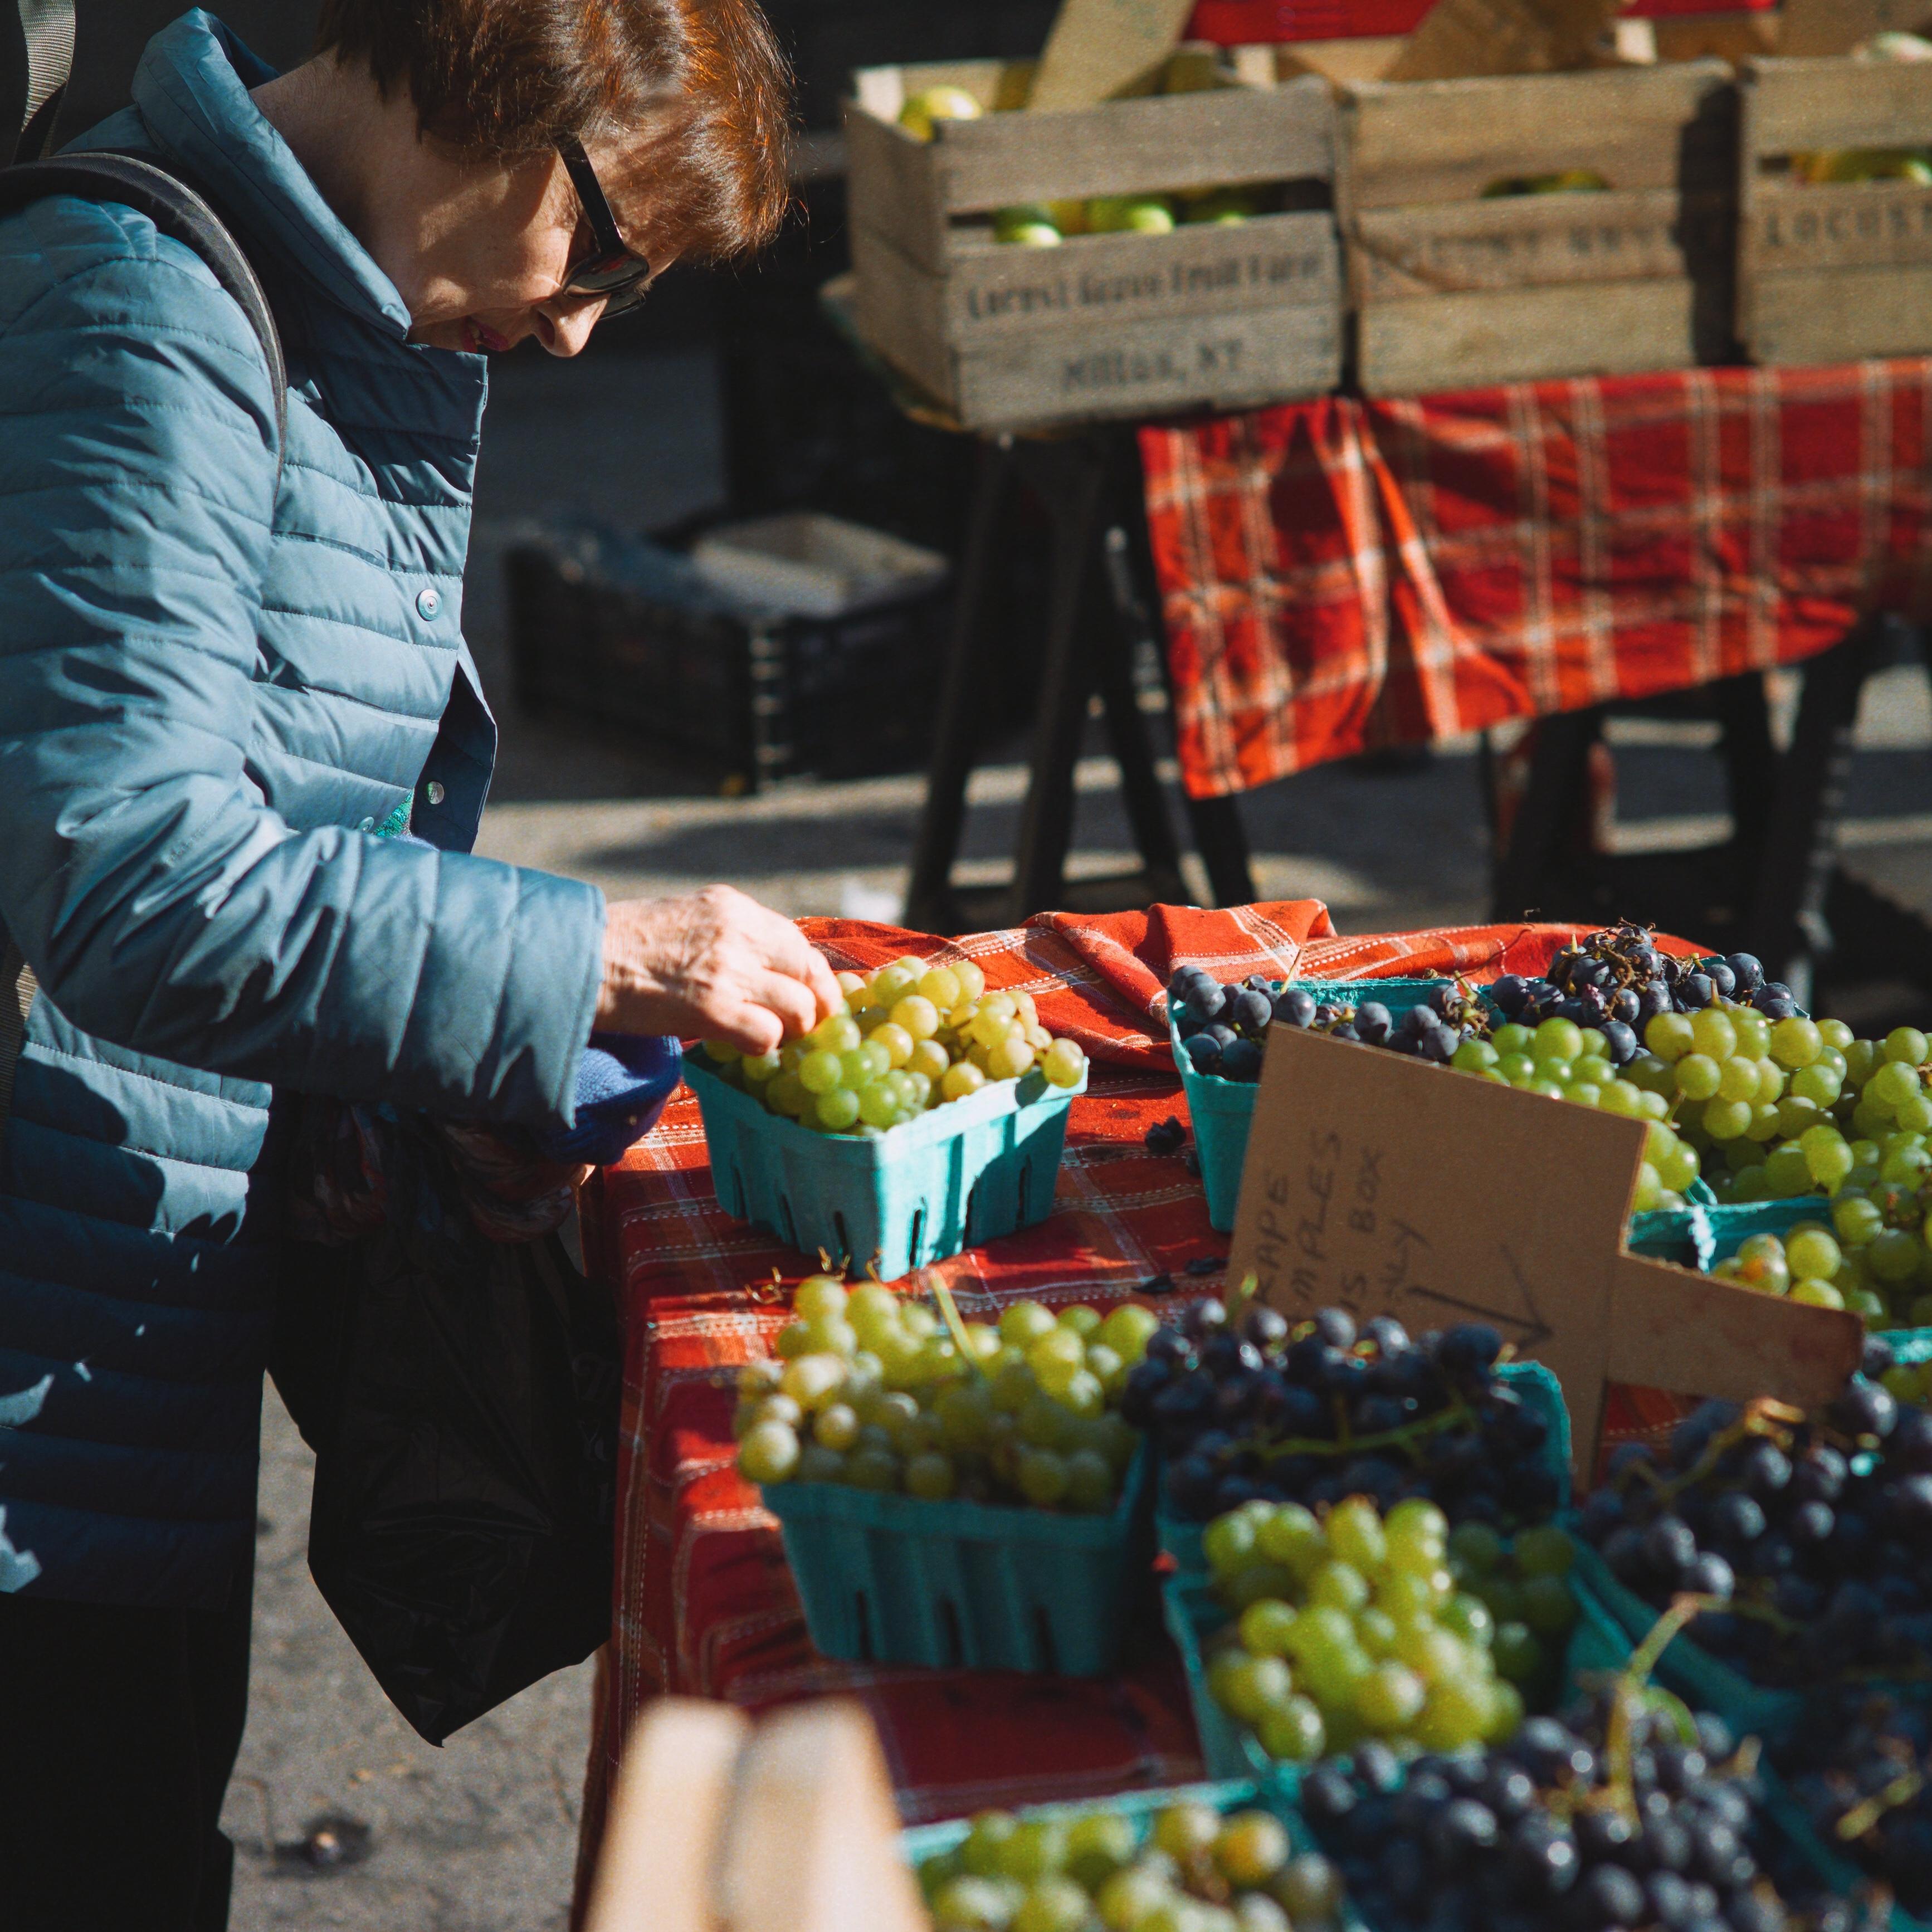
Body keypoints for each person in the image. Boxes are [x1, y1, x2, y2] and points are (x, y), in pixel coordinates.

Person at [0, 3, 833, 1925]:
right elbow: (134, 877)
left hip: (116, 1325)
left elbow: (280, 834)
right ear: (494, 88)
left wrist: (437, 1085)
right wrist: (589, 952)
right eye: (600, 256)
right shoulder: (145, 312)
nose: (577, 333)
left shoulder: (316, 318)